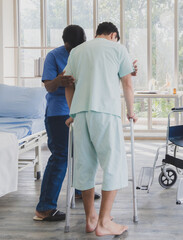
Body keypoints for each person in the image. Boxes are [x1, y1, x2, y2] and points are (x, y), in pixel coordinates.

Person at [64, 22, 138, 236]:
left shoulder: (78, 51)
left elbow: (69, 84)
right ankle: (105, 221)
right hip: (106, 112)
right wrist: (131, 112)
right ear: (114, 35)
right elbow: (127, 83)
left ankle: (91, 218)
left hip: (81, 114)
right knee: (113, 163)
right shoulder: (118, 49)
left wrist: (72, 113)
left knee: (85, 165)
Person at [33, 25, 98, 222]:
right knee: (61, 155)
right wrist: (60, 80)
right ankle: (44, 208)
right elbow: (48, 87)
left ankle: (79, 190)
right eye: (72, 48)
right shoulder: (54, 56)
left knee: (82, 152)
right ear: (66, 44)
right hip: (58, 113)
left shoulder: (85, 53)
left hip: (80, 111)